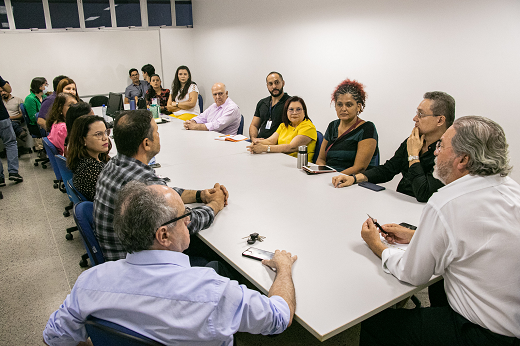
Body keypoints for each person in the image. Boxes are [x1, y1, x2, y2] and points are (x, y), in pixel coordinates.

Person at [44, 180, 297, 345]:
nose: (189, 221)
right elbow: (279, 318)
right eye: (184, 216)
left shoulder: (90, 282)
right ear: (163, 235)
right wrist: (283, 268)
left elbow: (53, 337)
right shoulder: (213, 292)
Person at [359, 116, 520, 345]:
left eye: (441, 146)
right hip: (513, 322)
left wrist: (377, 245)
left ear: (462, 159)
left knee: (377, 324)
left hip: (483, 333)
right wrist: (417, 236)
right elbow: (476, 242)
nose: (435, 152)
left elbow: (412, 274)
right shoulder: (511, 190)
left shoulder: (447, 202)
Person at [94, 109, 229, 261]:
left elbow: (164, 193)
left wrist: (200, 195)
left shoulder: (113, 164)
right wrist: (216, 204)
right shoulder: (144, 182)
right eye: (157, 132)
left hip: (115, 255)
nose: (159, 136)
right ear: (146, 143)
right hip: (138, 267)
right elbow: (185, 223)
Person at [332, 91, 455, 203]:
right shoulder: (413, 141)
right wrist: (354, 179)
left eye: (421, 114)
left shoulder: (449, 153)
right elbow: (388, 169)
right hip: (400, 201)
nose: (415, 118)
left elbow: (423, 193)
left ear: (440, 120)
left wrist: (413, 156)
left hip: (421, 210)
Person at [315, 78, 379, 175]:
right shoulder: (332, 126)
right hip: (328, 179)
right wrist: (324, 175)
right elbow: (321, 159)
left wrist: (335, 178)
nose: (343, 109)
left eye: (349, 105)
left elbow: (359, 168)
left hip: (353, 182)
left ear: (358, 107)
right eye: (339, 104)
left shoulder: (367, 128)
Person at [247, 96, 317, 161]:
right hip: (281, 161)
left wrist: (264, 148)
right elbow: (271, 141)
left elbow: (291, 147)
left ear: (304, 112)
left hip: (299, 166)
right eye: (291, 109)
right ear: (286, 112)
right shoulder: (283, 125)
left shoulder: (308, 127)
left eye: (298, 109)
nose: (294, 112)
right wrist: (256, 143)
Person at [67, 115, 110, 201]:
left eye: (105, 132)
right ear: (83, 140)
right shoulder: (91, 169)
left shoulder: (88, 159)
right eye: (98, 134)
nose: (105, 138)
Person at [249, 71, 291, 141]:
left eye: (277, 82)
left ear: (283, 83)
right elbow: (254, 125)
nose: (274, 86)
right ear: (267, 86)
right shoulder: (262, 103)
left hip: (276, 144)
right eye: (270, 84)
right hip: (260, 141)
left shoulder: (290, 103)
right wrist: (254, 138)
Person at [0, 76, 23, 186]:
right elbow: (8, 89)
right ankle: (13, 172)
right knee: (10, 143)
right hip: (2, 117)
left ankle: (0, 178)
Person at [24, 77, 48, 152]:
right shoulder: (30, 99)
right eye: (45, 84)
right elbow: (33, 117)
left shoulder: (44, 97)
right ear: (40, 86)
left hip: (45, 122)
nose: (47, 86)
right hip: (36, 125)